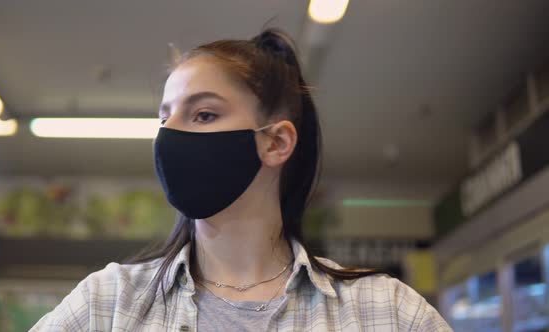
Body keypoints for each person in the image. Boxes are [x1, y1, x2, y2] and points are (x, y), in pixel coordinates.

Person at [30, 28, 451, 331]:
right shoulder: (107, 304)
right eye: (165, 116)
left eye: (204, 114)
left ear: (275, 143)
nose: (170, 135)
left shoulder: (386, 312)